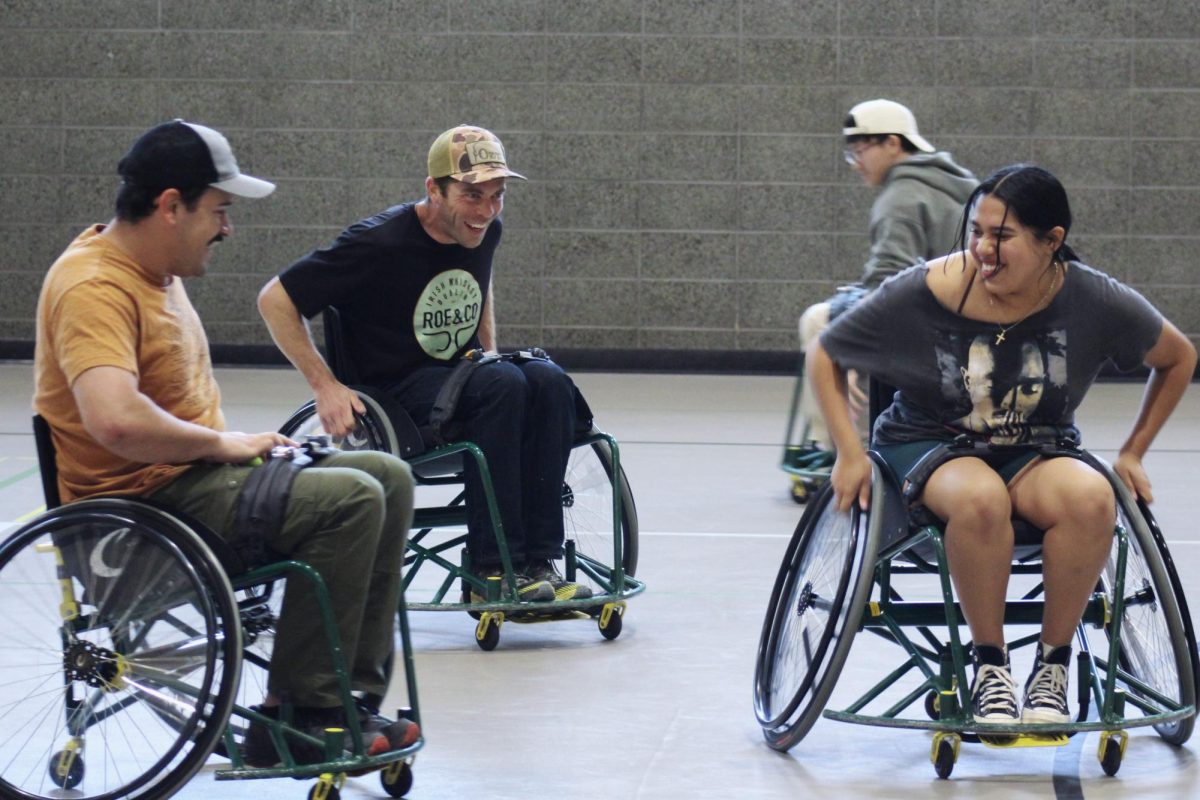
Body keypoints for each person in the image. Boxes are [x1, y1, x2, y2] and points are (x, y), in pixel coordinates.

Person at [33, 119, 419, 766]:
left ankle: (347, 698)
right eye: (219, 211)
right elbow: (116, 421)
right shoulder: (92, 287)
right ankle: (298, 714)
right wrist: (225, 445)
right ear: (169, 207)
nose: (227, 228)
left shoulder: (155, 270)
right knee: (350, 498)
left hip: (187, 488)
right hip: (139, 521)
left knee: (388, 476)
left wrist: (233, 450)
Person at [807, 163, 1196, 727]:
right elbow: (827, 352)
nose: (983, 249)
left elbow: (1178, 356)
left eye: (1002, 236)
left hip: (1037, 446)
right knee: (981, 500)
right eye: (977, 232)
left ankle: (1051, 668)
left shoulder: (1092, 298)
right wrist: (847, 451)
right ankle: (990, 667)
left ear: (1051, 242)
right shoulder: (931, 288)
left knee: (1091, 499)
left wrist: (1133, 451)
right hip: (928, 444)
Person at [257, 124, 590, 603]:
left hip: (464, 380)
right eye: (472, 195)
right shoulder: (378, 244)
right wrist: (325, 386)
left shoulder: (485, 230)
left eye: (496, 196)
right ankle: (492, 571)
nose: (486, 210)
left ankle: (539, 563)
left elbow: (480, 283)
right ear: (433, 188)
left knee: (548, 379)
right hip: (394, 399)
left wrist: (488, 349)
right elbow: (275, 300)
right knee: (503, 386)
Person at [796, 99, 978, 450]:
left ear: (893, 143)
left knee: (818, 323)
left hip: (931, 324)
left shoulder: (901, 197)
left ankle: (832, 444)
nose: (855, 163)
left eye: (859, 150)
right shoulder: (955, 183)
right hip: (963, 315)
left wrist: (843, 343)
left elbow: (887, 283)